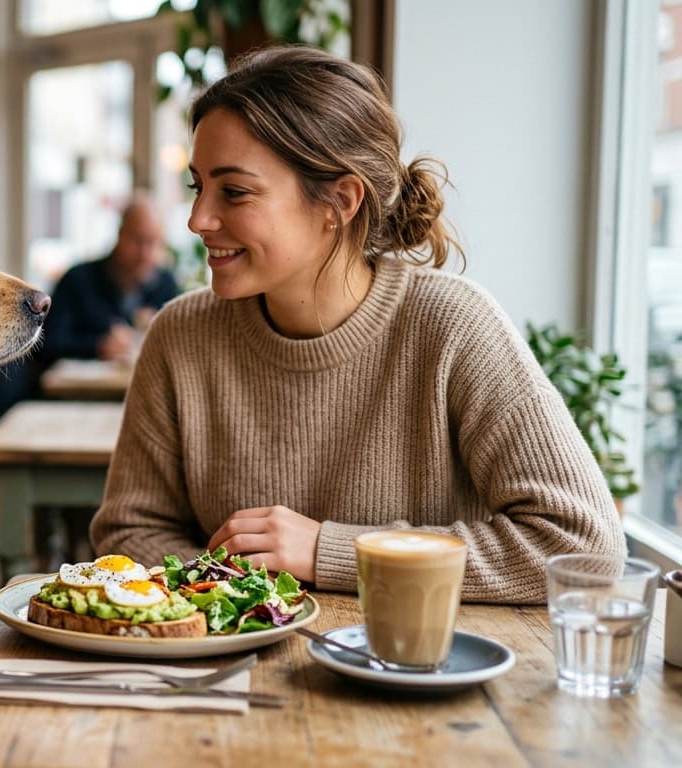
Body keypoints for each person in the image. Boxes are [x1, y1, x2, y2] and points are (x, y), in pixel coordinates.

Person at [88, 46, 625, 604]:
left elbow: (583, 546)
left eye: (236, 191)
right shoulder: (181, 335)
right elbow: (129, 531)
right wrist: (241, 597)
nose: (198, 220)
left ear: (339, 201)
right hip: (235, 674)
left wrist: (333, 551)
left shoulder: (454, 326)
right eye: (199, 186)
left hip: (417, 672)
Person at [41, 194, 180, 366]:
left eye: (151, 243)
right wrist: (98, 346)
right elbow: (48, 343)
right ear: (120, 234)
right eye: (137, 240)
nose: (144, 254)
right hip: (81, 390)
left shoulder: (165, 284)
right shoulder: (78, 279)